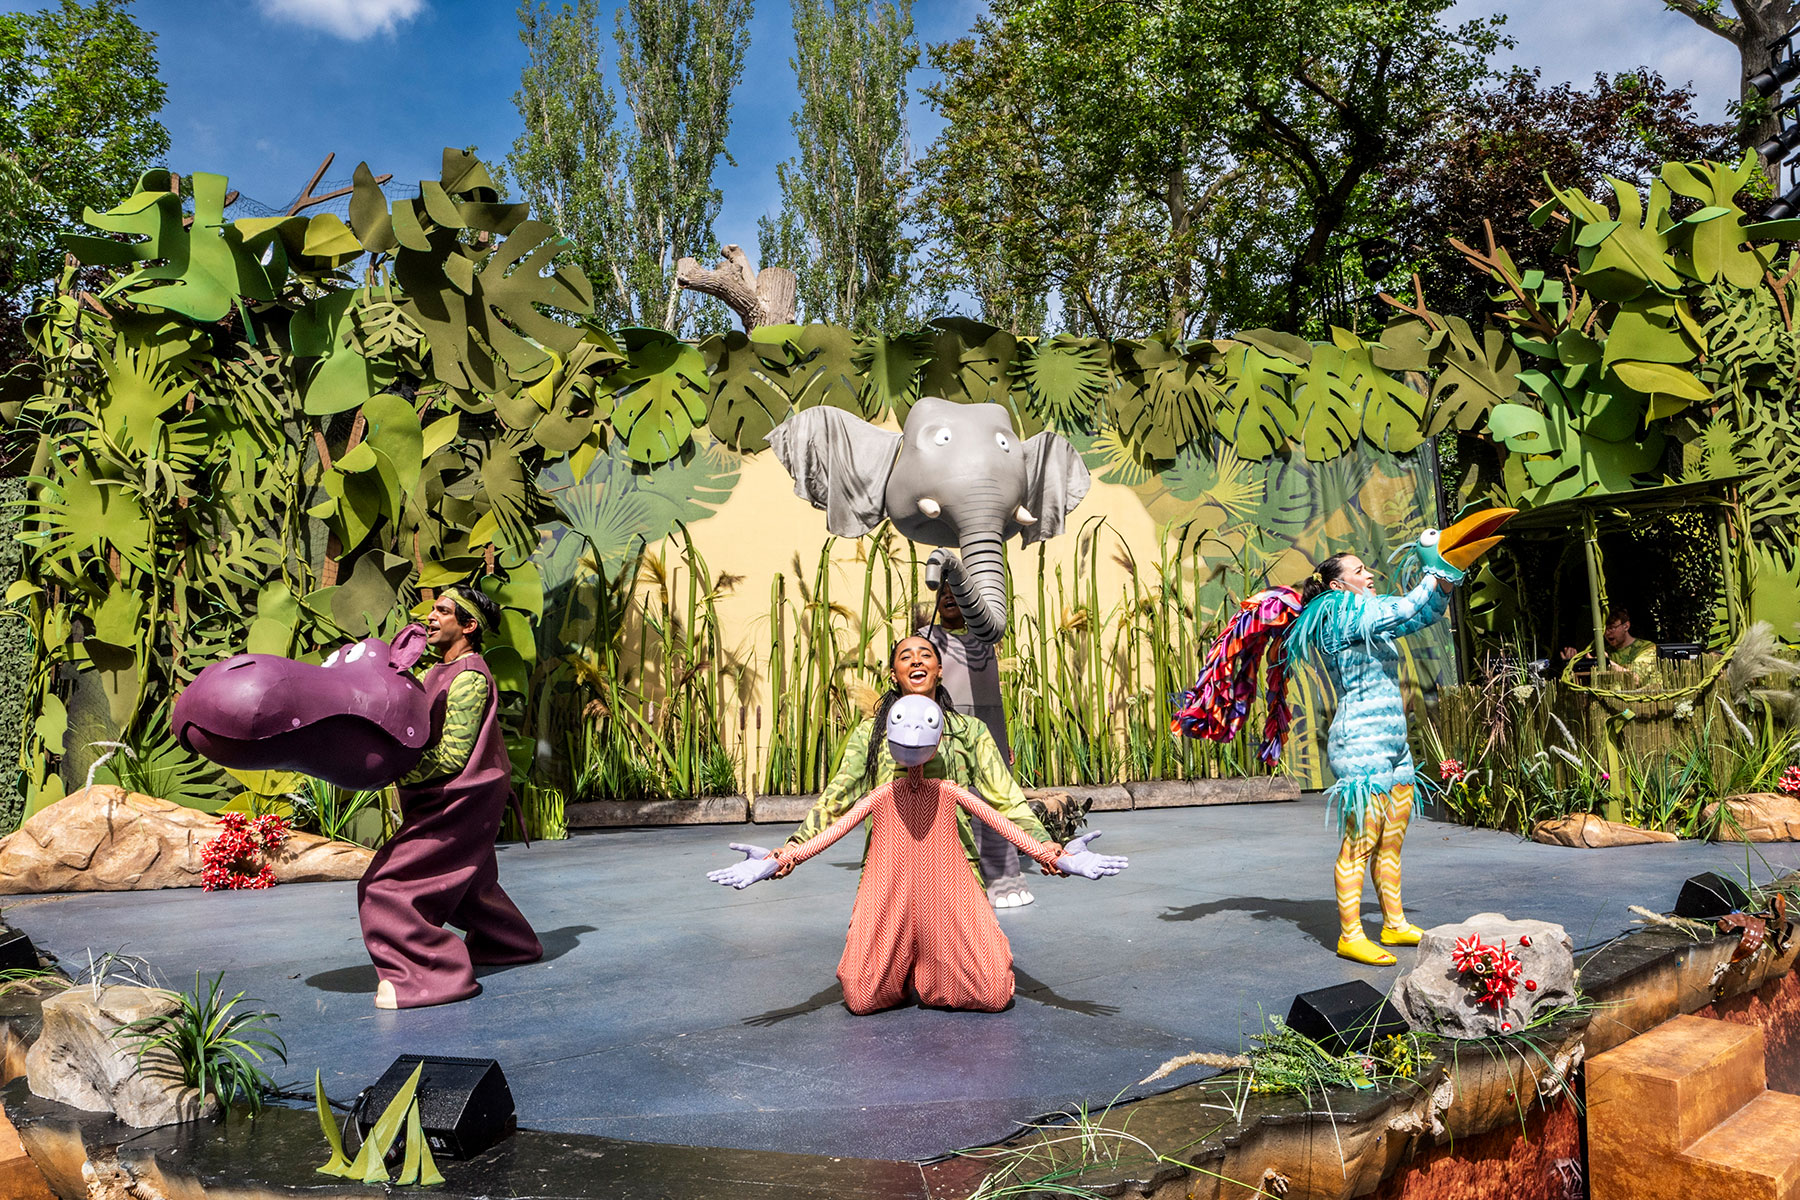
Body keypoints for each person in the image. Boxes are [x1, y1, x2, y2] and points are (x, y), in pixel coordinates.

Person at [1173, 510, 1511, 967]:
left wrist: (1445, 578)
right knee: (1360, 843)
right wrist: (1434, 563)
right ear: (1336, 585)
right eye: (1359, 571)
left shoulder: (1366, 613)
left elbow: (1424, 613)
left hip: (1393, 744)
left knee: (1391, 842)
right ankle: (1351, 934)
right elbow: (1407, 606)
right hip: (1362, 743)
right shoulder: (1337, 617)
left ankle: (1392, 923)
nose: (1369, 574)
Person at [708, 695, 1127, 1013]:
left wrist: (1057, 856)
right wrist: (779, 860)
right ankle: (901, 962)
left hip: (950, 890)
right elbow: (830, 830)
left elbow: (1004, 819)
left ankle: (931, 961)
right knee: (860, 994)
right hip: (886, 891)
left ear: (940, 739)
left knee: (993, 992)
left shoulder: (950, 792)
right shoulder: (880, 795)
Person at [359, 585, 542, 1009]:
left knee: (386, 886)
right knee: (471, 883)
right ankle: (508, 943)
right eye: (433, 609)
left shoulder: (470, 677)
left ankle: (430, 976)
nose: (431, 616)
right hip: (446, 790)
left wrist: (393, 771)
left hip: (464, 793)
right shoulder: (436, 671)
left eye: (443, 610)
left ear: (469, 625)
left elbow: (453, 756)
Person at [919, 587, 1034, 909]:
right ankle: (942, 880)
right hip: (943, 728)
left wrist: (1001, 739)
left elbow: (993, 701)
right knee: (942, 800)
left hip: (988, 727)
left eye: (957, 591)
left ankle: (1003, 874)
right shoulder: (925, 640)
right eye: (942, 591)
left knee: (994, 800)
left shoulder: (986, 639)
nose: (949, 596)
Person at [1561, 606, 1658, 682]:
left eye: (1611, 628)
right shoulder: (1605, 651)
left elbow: (1636, 679)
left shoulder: (1646, 648)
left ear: (1626, 626)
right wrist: (1572, 665)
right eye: (1604, 629)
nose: (1607, 633)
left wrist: (1607, 663)